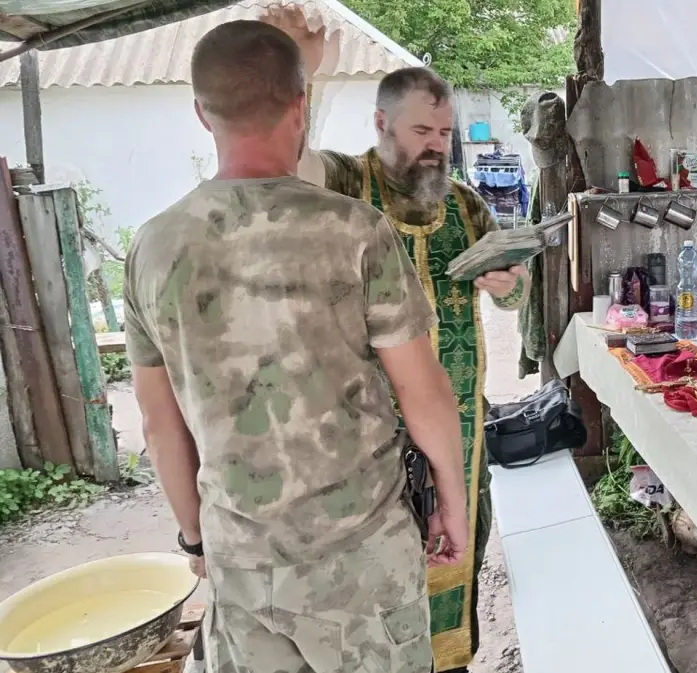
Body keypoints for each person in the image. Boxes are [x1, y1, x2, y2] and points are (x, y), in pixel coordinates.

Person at [125, 19, 468, 673]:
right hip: (362, 565)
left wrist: (195, 537)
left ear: (202, 113)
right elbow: (423, 395)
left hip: (243, 564)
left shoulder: (154, 247)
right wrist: (451, 503)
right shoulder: (357, 232)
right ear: (300, 104)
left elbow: (158, 421)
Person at [260, 9, 530, 672]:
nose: (437, 144)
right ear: (381, 126)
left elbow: (519, 293)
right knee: (378, 581)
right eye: (421, 131)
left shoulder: (467, 205)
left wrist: (510, 284)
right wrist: (300, 71)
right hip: (367, 432)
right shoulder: (347, 185)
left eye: (443, 131)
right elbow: (285, 159)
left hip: (460, 428)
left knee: (460, 554)